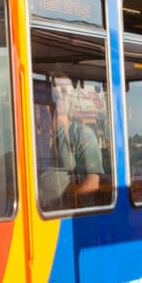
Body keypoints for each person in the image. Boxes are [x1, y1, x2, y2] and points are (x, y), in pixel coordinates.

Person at [49, 75, 102, 207]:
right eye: (55, 93)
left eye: (65, 93)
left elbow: (93, 182)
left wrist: (69, 203)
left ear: (71, 99)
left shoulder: (83, 135)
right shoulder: (37, 135)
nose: (60, 97)